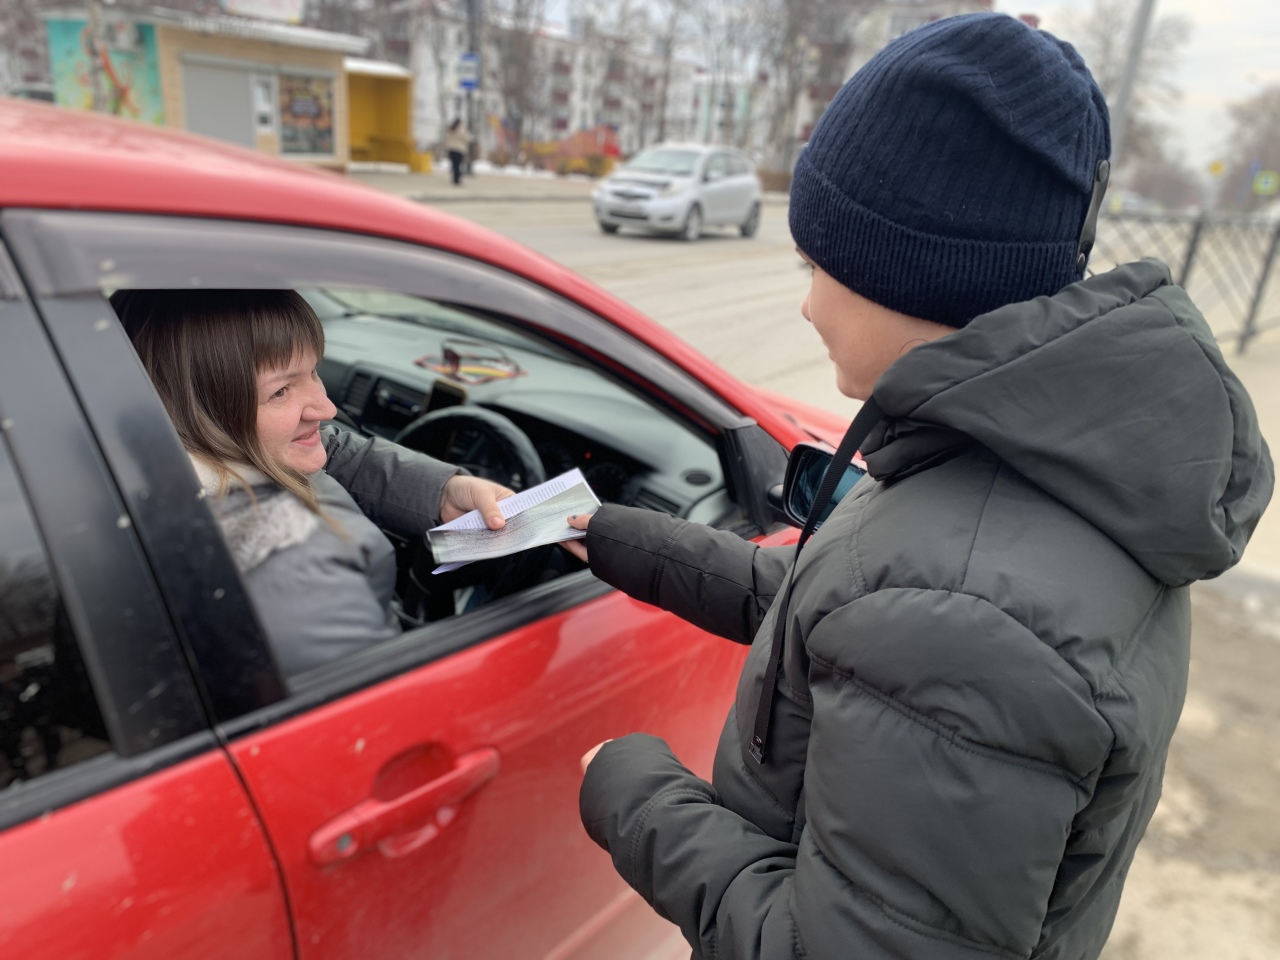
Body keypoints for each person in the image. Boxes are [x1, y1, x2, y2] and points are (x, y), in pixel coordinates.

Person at [566, 13, 1273, 960]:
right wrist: (603, 533)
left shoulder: (971, 612)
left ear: (914, 277)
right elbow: (854, 607)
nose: (805, 300)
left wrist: (630, 787)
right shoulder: (1028, 466)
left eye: (817, 266)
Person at [112, 289, 512, 678]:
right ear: (200, 413)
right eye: (281, 391)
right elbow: (383, 717)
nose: (326, 407)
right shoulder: (294, 574)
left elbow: (334, 451)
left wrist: (439, 492)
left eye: (314, 372)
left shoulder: (197, 453)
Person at [445, 118, 472, 187]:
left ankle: (454, 179)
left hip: (451, 149)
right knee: (458, 165)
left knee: (454, 165)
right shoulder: (462, 131)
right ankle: (457, 179)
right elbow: (468, 139)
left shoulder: (450, 129)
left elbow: (447, 138)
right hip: (459, 150)